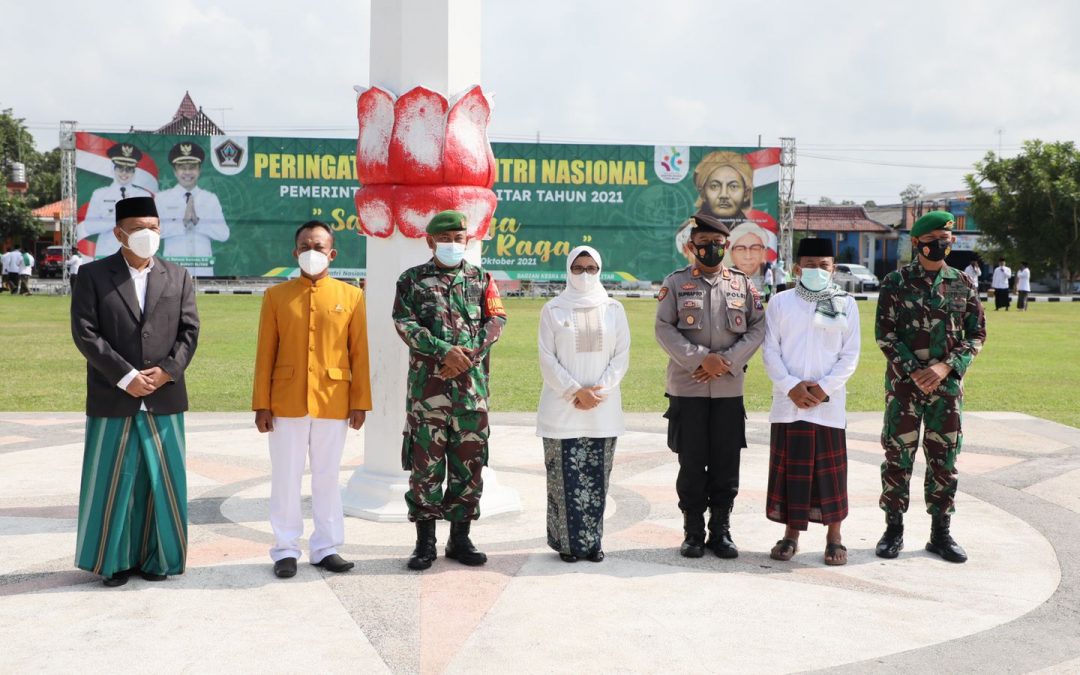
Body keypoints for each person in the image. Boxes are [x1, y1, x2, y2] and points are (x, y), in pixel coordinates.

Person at [70, 196, 200, 586]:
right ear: (119, 233)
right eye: (140, 228)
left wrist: (167, 372)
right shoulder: (93, 275)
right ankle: (113, 562)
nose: (149, 235)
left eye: (155, 228)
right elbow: (85, 333)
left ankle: (159, 560)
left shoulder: (178, 276)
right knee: (113, 480)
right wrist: (125, 376)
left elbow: (189, 332)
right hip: (114, 395)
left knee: (162, 480)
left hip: (165, 396)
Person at [252, 220, 372, 579]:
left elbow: (359, 354)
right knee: (286, 476)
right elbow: (265, 354)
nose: (311, 252)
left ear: (332, 253)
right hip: (285, 400)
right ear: (294, 252)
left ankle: (326, 547)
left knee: (327, 476)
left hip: (333, 399)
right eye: (305, 246)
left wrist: (360, 401)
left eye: (318, 247)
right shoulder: (276, 296)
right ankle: (286, 548)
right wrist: (262, 403)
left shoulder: (351, 296)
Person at [393, 210, 507, 570]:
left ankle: (461, 539)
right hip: (428, 395)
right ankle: (424, 543)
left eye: (459, 239)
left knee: (469, 465)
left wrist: (467, 356)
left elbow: (497, 320)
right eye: (445, 239)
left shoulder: (482, 279)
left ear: (468, 241)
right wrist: (444, 352)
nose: (453, 245)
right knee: (425, 467)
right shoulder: (411, 281)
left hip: (471, 393)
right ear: (430, 242)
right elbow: (404, 322)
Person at [875, 211, 986, 564]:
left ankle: (941, 532)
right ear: (917, 243)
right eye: (935, 238)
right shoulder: (896, 282)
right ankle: (893, 528)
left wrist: (944, 367)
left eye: (947, 239)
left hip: (947, 390)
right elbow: (885, 335)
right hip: (904, 389)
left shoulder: (962, 284)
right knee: (898, 457)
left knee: (944, 460)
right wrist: (914, 370)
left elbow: (976, 334)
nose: (942, 244)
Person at [655, 211, 766, 559]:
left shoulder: (743, 285)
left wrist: (727, 361)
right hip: (687, 389)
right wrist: (701, 358)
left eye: (717, 244)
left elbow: (758, 327)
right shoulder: (674, 284)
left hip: (728, 390)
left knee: (725, 462)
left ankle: (721, 530)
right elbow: (664, 328)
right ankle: (692, 532)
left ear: (727, 246)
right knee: (691, 463)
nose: (711, 251)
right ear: (691, 247)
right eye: (703, 245)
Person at [762, 238, 860, 566]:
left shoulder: (842, 302)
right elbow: (770, 350)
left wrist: (823, 389)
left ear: (833, 269)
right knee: (792, 473)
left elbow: (849, 355)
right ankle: (791, 535)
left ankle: (834, 538)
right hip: (789, 404)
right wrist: (790, 386)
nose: (817, 271)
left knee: (830, 476)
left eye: (825, 265)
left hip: (827, 406)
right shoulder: (780, 302)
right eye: (811, 265)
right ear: (796, 268)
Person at [537, 245, 630, 563]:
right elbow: (547, 360)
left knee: (597, 477)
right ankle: (566, 545)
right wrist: (575, 391)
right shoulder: (553, 309)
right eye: (578, 268)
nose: (585, 274)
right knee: (563, 479)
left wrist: (596, 391)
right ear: (568, 270)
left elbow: (621, 357)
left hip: (602, 410)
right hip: (562, 409)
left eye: (591, 268)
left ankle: (593, 543)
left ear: (600, 270)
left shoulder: (613, 309)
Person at [156, 142, 231, 277]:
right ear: (174, 171)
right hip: (173, 269)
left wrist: (199, 223)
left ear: (199, 170)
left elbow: (224, 234)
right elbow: (154, 232)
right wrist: (182, 223)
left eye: (192, 167)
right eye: (182, 168)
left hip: (203, 269)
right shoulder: (161, 198)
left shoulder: (210, 198)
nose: (187, 172)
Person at [77, 143, 154, 259]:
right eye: (120, 168)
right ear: (113, 169)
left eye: (128, 169)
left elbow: (149, 225)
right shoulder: (99, 194)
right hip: (106, 253)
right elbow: (89, 226)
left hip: (135, 253)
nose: (124, 173)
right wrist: (119, 219)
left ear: (134, 172)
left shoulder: (143, 196)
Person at [725, 221, 775, 289]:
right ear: (731, 254)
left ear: (764, 252)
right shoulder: (725, 277)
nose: (748, 256)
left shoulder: (767, 271)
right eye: (740, 249)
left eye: (755, 248)